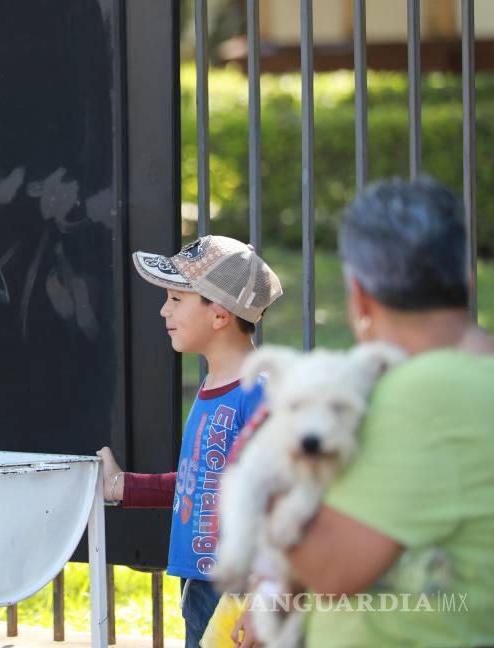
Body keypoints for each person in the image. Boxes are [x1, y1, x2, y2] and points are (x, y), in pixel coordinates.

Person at [285, 177, 494, 647]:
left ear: (359, 296)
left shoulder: (422, 391)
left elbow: (332, 568)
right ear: (467, 279)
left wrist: (264, 461)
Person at [99, 235, 283, 648]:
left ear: (218, 315)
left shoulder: (259, 393)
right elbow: (200, 483)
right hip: (200, 589)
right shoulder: (212, 385)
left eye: (176, 298)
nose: (164, 309)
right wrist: (123, 487)